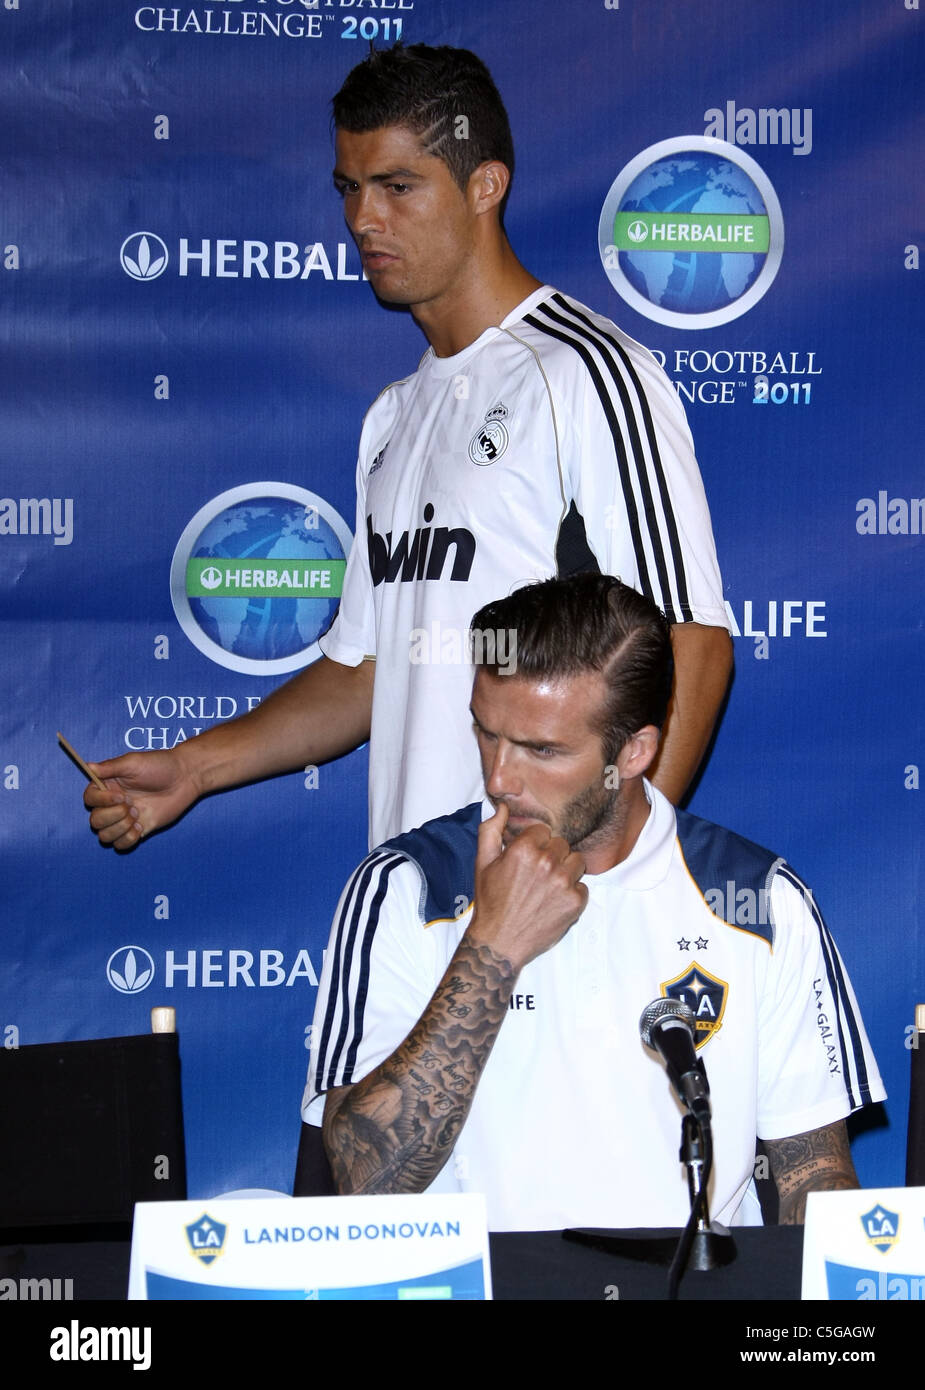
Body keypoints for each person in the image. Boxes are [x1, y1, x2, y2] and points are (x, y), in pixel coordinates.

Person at [85, 44, 732, 853]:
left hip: (552, 913)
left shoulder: (584, 376)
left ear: (484, 186)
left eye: (397, 186)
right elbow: (368, 672)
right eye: (349, 188)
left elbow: (693, 643)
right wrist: (195, 768)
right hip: (413, 906)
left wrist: (612, 884)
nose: (363, 218)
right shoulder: (393, 416)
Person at [304, 574, 884, 1231]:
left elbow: (815, 1179)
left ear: (633, 751)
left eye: (540, 750)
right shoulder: (408, 887)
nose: (498, 777)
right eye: (486, 733)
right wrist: (491, 948)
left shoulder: (757, 900)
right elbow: (360, 1186)